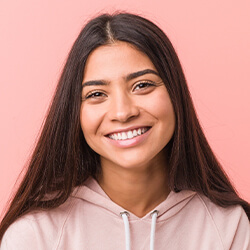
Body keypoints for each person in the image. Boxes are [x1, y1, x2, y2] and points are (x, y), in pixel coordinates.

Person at [0, 12, 249, 250]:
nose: (122, 112)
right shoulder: (35, 235)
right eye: (96, 94)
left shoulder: (230, 227)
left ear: (176, 94)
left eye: (142, 85)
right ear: (74, 113)